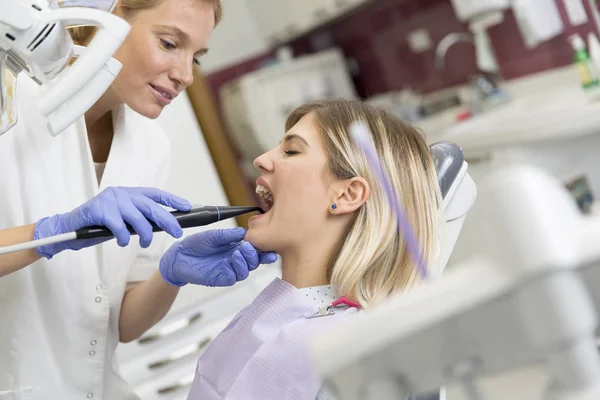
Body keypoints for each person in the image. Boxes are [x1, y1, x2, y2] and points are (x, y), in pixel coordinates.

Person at [0, 1, 276, 399]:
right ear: (104, 19)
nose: (184, 76)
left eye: (195, 58)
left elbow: (123, 324)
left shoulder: (149, 146)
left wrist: (171, 273)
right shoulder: (11, 102)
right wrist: (51, 234)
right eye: (168, 43)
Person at [184, 98, 442, 400]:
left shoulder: (331, 347)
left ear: (347, 194)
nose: (261, 159)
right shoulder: (283, 314)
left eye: (291, 151)